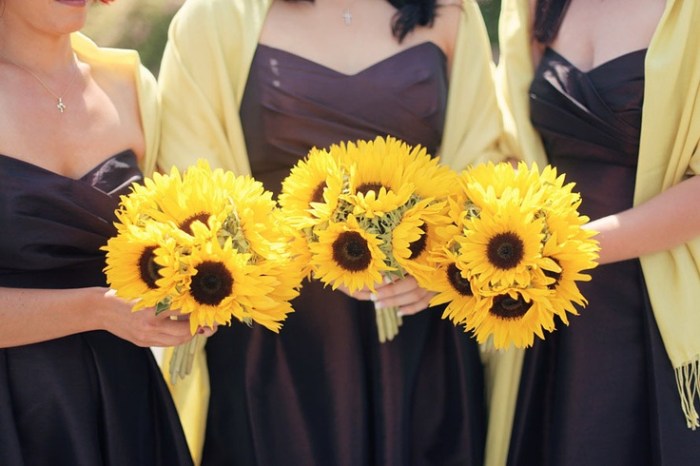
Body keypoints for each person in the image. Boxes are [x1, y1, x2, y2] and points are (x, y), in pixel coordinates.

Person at [157, 0, 503, 464]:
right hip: (277, 338)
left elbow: (485, 157)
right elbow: (191, 183)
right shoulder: (213, 18)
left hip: (418, 325)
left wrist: (443, 263)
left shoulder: (451, 12)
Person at [485, 0, 700, 465]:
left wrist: (569, 248)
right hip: (546, 305)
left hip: (657, 297)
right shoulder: (529, 8)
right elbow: (506, 145)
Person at [0, 1, 214, 464]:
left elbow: (184, 226)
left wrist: (198, 292)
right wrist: (98, 310)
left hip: (124, 401)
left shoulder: (131, 84)